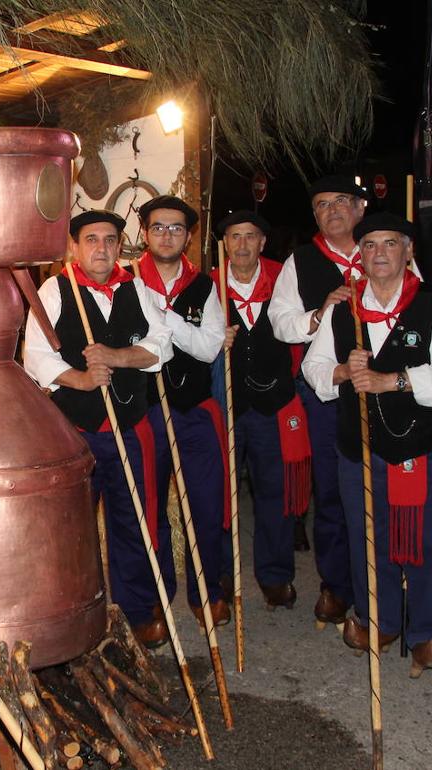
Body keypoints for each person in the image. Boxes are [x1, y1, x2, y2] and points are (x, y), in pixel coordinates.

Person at [303, 213, 432, 678]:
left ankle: (429, 632)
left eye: (389, 244)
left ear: (407, 250)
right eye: (369, 245)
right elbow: (314, 369)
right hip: (361, 447)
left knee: (429, 541)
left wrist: (388, 381)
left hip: (422, 446)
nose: (378, 254)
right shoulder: (343, 309)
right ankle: (381, 620)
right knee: (367, 537)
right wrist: (342, 371)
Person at [24, 209, 172, 646]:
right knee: (75, 528)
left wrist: (116, 356)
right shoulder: (55, 289)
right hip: (76, 433)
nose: (102, 249)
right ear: (74, 247)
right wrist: (84, 378)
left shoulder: (136, 288)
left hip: (130, 427)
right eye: (92, 240)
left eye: (110, 240)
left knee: (135, 523)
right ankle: (77, 616)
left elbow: (160, 345)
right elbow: (35, 357)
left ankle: (136, 613)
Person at [268, 174, 368, 627]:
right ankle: (335, 584)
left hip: (382, 388)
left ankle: (380, 582)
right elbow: (280, 321)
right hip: (327, 388)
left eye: (341, 201)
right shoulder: (301, 261)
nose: (332, 210)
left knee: (380, 489)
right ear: (315, 215)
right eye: (323, 204)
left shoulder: (386, 248)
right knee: (331, 490)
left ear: (359, 208)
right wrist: (320, 314)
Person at [133, 195, 231, 630]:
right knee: (149, 508)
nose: (167, 235)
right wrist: (179, 328)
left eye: (176, 228)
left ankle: (207, 591)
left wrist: (164, 318)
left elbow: (209, 347)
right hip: (145, 414)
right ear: (145, 234)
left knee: (206, 506)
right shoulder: (125, 281)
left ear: (188, 236)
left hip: (194, 410)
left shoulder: (206, 285)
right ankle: (155, 594)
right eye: (158, 227)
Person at [214, 210, 313, 611]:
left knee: (275, 493)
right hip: (227, 405)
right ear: (225, 244)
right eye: (234, 236)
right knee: (219, 494)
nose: (241, 245)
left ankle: (275, 577)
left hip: (274, 404)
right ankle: (221, 577)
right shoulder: (209, 287)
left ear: (262, 243)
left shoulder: (283, 280)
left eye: (250, 236)